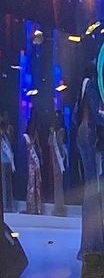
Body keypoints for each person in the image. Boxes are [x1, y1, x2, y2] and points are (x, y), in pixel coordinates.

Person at [77, 61, 104, 260]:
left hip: (87, 136)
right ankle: (93, 246)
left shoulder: (87, 84)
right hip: (90, 137)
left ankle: (92, 245)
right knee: (93, 191)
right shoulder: (91, 84)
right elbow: (96, 114)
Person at [23, 110, 43, 215]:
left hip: (33, 158)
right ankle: (35, 208)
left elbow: (37, 147)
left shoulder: (34, 132)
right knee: (34, 182)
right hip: (33, 158)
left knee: (33, 183)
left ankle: (34, 207)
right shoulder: (31, 133)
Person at [49, 110, 68, 217]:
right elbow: (49, 142)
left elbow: (60, 144)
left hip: (59, 159)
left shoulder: (61, 131)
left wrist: (53, 134)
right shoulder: (54, 131)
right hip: (55, 159)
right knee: (57, 184)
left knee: (59, 184)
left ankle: (60, 208)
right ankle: (57, 206)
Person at [0, 113, 16, 212]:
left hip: (8, 162)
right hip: (2, 162)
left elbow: (10, 146)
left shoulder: (6, 137)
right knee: (4, 185)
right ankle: (4, 205)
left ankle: (10, 205)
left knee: (9, 185)